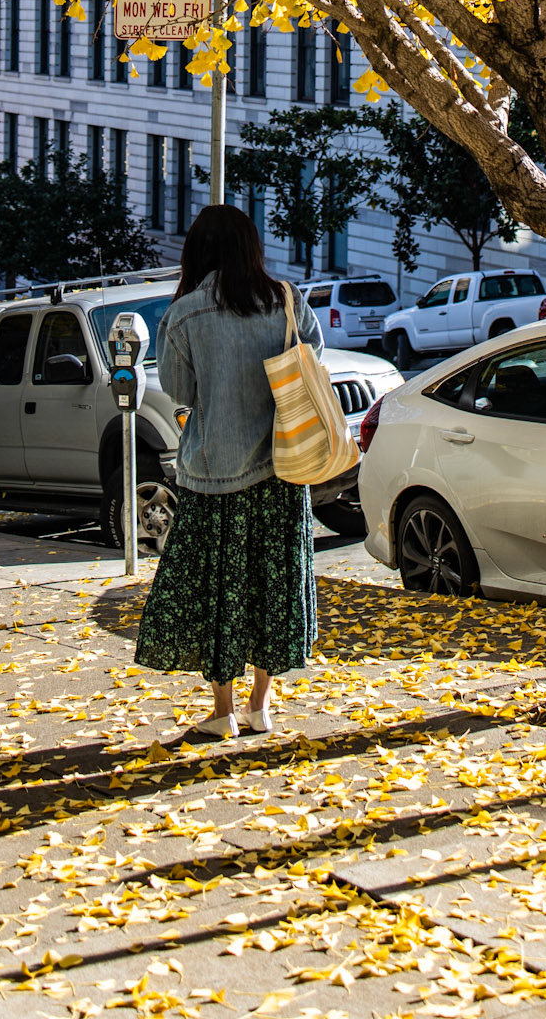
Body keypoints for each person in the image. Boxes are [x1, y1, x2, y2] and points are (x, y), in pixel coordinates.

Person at [134, 204, 322, 738]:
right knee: (270, 587)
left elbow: (180, 391)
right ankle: (261, 706)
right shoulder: (287, 300)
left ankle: (222, 713)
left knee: (218, 593)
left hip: (213, 476)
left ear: (197, 253)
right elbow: (312, 363)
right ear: (250, 249)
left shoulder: (185, 314)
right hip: (282, 473)